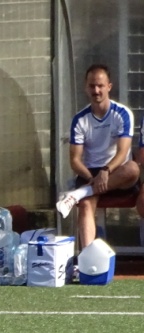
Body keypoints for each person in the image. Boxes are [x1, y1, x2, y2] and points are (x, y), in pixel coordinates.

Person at [56, 64, 140, 248]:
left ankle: (77, 194)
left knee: (133, 168)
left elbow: (123, 152)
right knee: (86, 205)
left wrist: (106, 170)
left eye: (100, 86)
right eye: (92, 86)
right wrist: (92, 178)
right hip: (90, 174)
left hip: (117, 172)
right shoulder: (80, 119)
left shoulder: (122, 114)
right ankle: (87, 257)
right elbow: (75, 160)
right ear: (86, 88)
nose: (96, 90)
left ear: (109, 86)